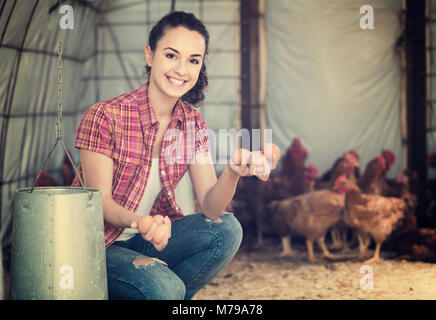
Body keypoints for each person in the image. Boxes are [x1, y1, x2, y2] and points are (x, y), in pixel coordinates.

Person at [72, 11, 276, 300]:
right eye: (171, 55)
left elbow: (210, 208)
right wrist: (141, 222)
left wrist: (231, 171)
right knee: (166, 288)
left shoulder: (191, 122)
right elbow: (99, 202)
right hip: (99, 246)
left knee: (227, 230)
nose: (182, 69)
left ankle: (165, 293)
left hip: (149, 241)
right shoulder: (107, 116)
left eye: (193, 60)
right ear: (149, 55)